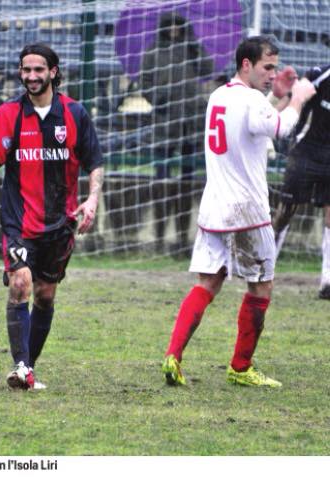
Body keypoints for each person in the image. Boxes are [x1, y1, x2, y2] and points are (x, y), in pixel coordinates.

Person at [161, 36, 316, 387]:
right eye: (267, 67)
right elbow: (281, 128)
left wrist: (276, 94)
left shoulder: (221, 95)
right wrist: (297, 98)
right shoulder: (250, 100)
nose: (271, 72)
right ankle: (241, 367)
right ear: (246, 64)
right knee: (261, 287)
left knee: (208, 282)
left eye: (274, 67)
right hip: (248, 209)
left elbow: (253, 123)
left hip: (215, 206)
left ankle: (173, 355)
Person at [0, 44, 104, 390]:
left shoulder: (74, 114)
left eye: (38, 70)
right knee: (20, 283)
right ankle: (21, 366)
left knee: (46, 294)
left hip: (60, 222)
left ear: (53, 72)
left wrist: (92, 200)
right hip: (19, 220)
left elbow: (94, 162)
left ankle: (27, 368)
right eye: (26, 70)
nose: (31, 76)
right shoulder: (9, 114)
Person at [140, 12, 213, 255]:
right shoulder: (153, 51)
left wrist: (195, 47)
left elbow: (207, 69)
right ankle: (159, 237)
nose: (173, 29)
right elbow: (145, 82)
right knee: (161, 178)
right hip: (164, 123)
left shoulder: (192, 49)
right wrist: (157, 100)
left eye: (177, 25)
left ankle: (183, 238)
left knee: (188, 180)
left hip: (191, 122)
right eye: (169, 25)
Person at [272, 64, 330, 300]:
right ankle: (264, 269)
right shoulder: (321, 74)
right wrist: (279, 108)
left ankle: (327, 281)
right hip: (305, 151)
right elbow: (297, 93)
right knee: (285, 212)